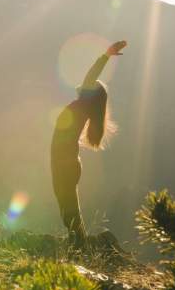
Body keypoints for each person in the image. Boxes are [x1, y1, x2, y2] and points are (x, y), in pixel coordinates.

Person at [50, 40, 127, 245]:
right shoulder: (84, 107)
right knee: (66, 204)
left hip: (65, 163)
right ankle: (78, 242)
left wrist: (106, 56)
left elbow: (90, 75)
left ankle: (79, 244)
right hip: (66, 162)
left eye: (90, 85)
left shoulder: (83, 103)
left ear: (90, 93)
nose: (85, 83)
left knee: (68, 206)